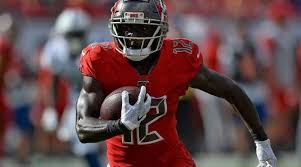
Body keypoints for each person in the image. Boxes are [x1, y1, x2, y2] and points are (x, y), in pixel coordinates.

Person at [76, 0, 277, 167]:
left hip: (173, 162)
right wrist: (119, 126)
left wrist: (262, 141)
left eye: (141, 27)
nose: (131, 35)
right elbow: (83, 128)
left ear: (161, 29)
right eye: (126, 27)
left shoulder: (178, 58)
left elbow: (230, 90)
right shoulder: (100, 59)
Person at [38, 8, 101, 167]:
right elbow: (54, 79)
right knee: (76, 138)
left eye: (78, 34)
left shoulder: (96, 46)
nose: (74, 39)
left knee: (88, 141)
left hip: (100, 94)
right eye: (70, 34)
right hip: (77, 96)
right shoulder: (56, 49)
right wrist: (51, 109)